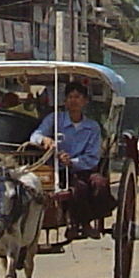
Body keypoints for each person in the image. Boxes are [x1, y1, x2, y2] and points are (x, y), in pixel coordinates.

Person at [27, 82, 111, 226]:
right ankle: (75, 223)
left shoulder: (92, 127)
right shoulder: (54, 119)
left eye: (77, 97)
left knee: (100, 184)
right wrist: (44, 139)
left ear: (85, 101)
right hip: (56, 170)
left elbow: (92, 157)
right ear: (65, 101)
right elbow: (35, 135)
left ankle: (86, 222)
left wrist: (73, 162)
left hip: (82, 170)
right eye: (70, 97)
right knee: (78, 188)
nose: (74, 100)